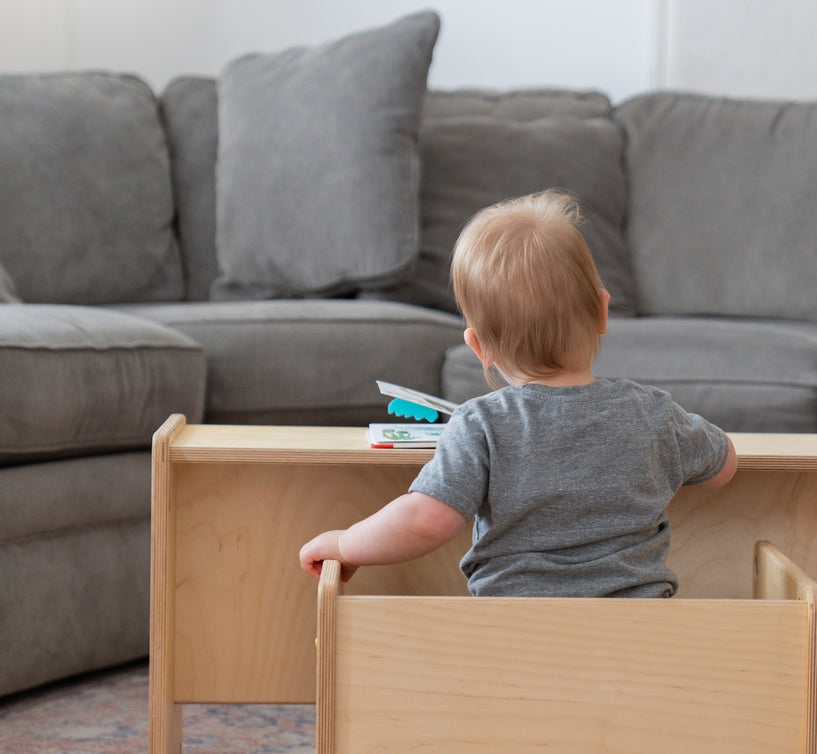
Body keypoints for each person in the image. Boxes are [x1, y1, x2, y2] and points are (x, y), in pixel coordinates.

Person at [299, 190, 737, 597]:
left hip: (516, 634)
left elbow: (424, 519)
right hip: (640, 633)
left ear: (479, 348)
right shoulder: (652, 413)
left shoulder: (480, 424)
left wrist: (346, 543)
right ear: (602, 311)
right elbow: (722, 466)